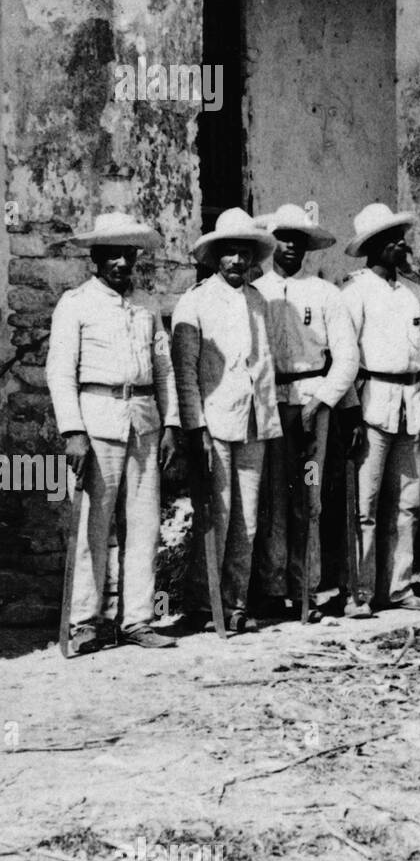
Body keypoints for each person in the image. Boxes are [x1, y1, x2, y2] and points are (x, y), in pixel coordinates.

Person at [47, 213, 181, 655]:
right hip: (97, 420)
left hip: (143, 419)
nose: (122, 262)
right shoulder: (76, 303)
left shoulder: (145, 306)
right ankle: (85, 621)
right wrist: (73, 432)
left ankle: (137, 619)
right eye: (113, 254)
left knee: (143, 526)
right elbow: (60, 373)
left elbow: (164, 370)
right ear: (96, 258)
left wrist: (171, 424)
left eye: (129, 254)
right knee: (93, 523)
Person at [171, 208, 280, 634]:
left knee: (247, 519)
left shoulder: (257, 301)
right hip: (214, 423)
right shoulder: (195, 301)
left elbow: (263, 363)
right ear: (216, 257)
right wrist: (193, 428)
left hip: (254, 421)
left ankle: (235, 601)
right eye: (229, 253)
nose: (237, 262)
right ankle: (203, 602)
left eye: (243, 253)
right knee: (217, 512)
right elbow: (185, 371)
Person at [252, 204, 359, 622]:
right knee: (274, 499)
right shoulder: (256, 293)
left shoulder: (325, 293)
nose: (291, 247)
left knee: (309, 497)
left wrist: (323, 400)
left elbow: (346, 358)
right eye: (284, 238)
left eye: (299, 240)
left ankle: (306, 589)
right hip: (271, 408)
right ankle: (271, 587)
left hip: (313, 408)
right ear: (271, 242)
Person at [339, 203, 420, 615]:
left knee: (407, 501)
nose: (402, 245)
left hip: (411, 402)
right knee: (364, 503)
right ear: (375, 247)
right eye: (393, 239)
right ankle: (360, 592)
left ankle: (397, 587)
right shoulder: (355, 291)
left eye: (402, 237)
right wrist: (350, 410)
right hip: (372, 402)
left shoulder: (415, 293)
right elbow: (345, 358)